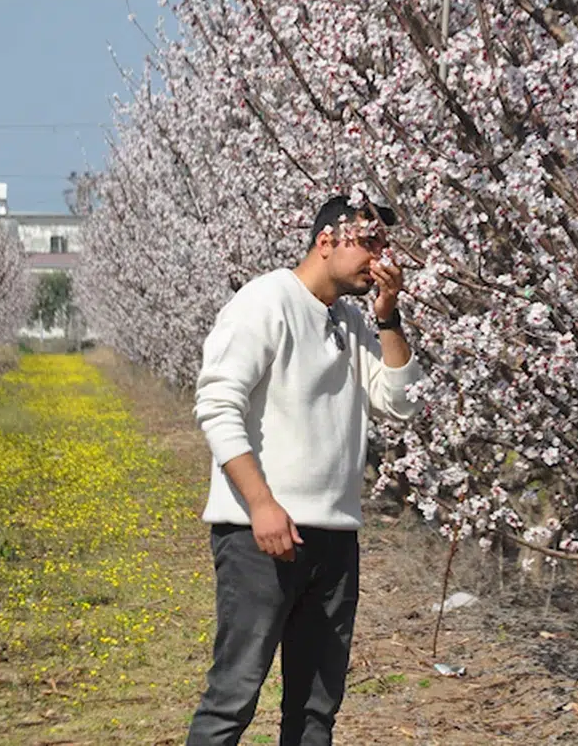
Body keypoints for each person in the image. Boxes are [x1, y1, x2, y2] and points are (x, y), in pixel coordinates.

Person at [185, 194, 424, 746]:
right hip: (259, 536)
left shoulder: (350, 322)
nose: (379, 258)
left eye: (383, 245)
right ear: (326, 241)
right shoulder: (265, 301)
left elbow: (402, 403)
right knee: (234, 695)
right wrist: (260, 504)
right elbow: (217, 406)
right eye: (368, 243)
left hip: (335, 537)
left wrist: (388, 318)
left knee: (317, 707)